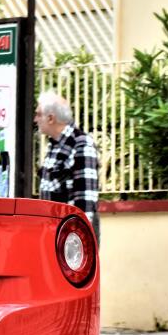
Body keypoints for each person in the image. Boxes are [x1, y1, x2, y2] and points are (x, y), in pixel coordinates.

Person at [36, 91, 100, 240]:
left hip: (72, 236)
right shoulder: (55, 145)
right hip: (55, 232)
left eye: (38, 114)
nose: (35, 119)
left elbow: (85, 201)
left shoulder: (81, 144)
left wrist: (76, 240)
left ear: (51, 118)